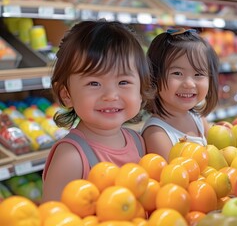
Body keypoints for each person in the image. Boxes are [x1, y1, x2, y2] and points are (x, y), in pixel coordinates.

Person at [42, 20, 154, 202]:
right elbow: (53, 217)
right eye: (94, 83)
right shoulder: (71, 158)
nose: (110, 95)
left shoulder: (138, 142)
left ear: (141, 90)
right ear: (67, 94)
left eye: (123, 82)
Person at [141, 28, 219, 160]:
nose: (189, 83)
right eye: (177, 73)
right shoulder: (157, 134)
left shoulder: (198, 119)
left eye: (198, 74)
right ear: (154, 76)